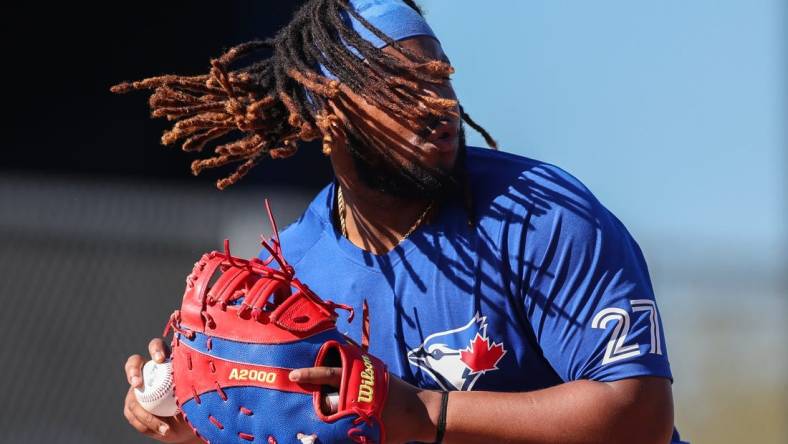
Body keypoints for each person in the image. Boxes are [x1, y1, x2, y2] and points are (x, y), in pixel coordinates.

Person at [118, 0, 688, 442]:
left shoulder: (540, 216)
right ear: (328, 116)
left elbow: (638, 417)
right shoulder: (289, 275)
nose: (438, 103)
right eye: (401, 89)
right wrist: (200, 427)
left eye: (439, 77)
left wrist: (422, 413)